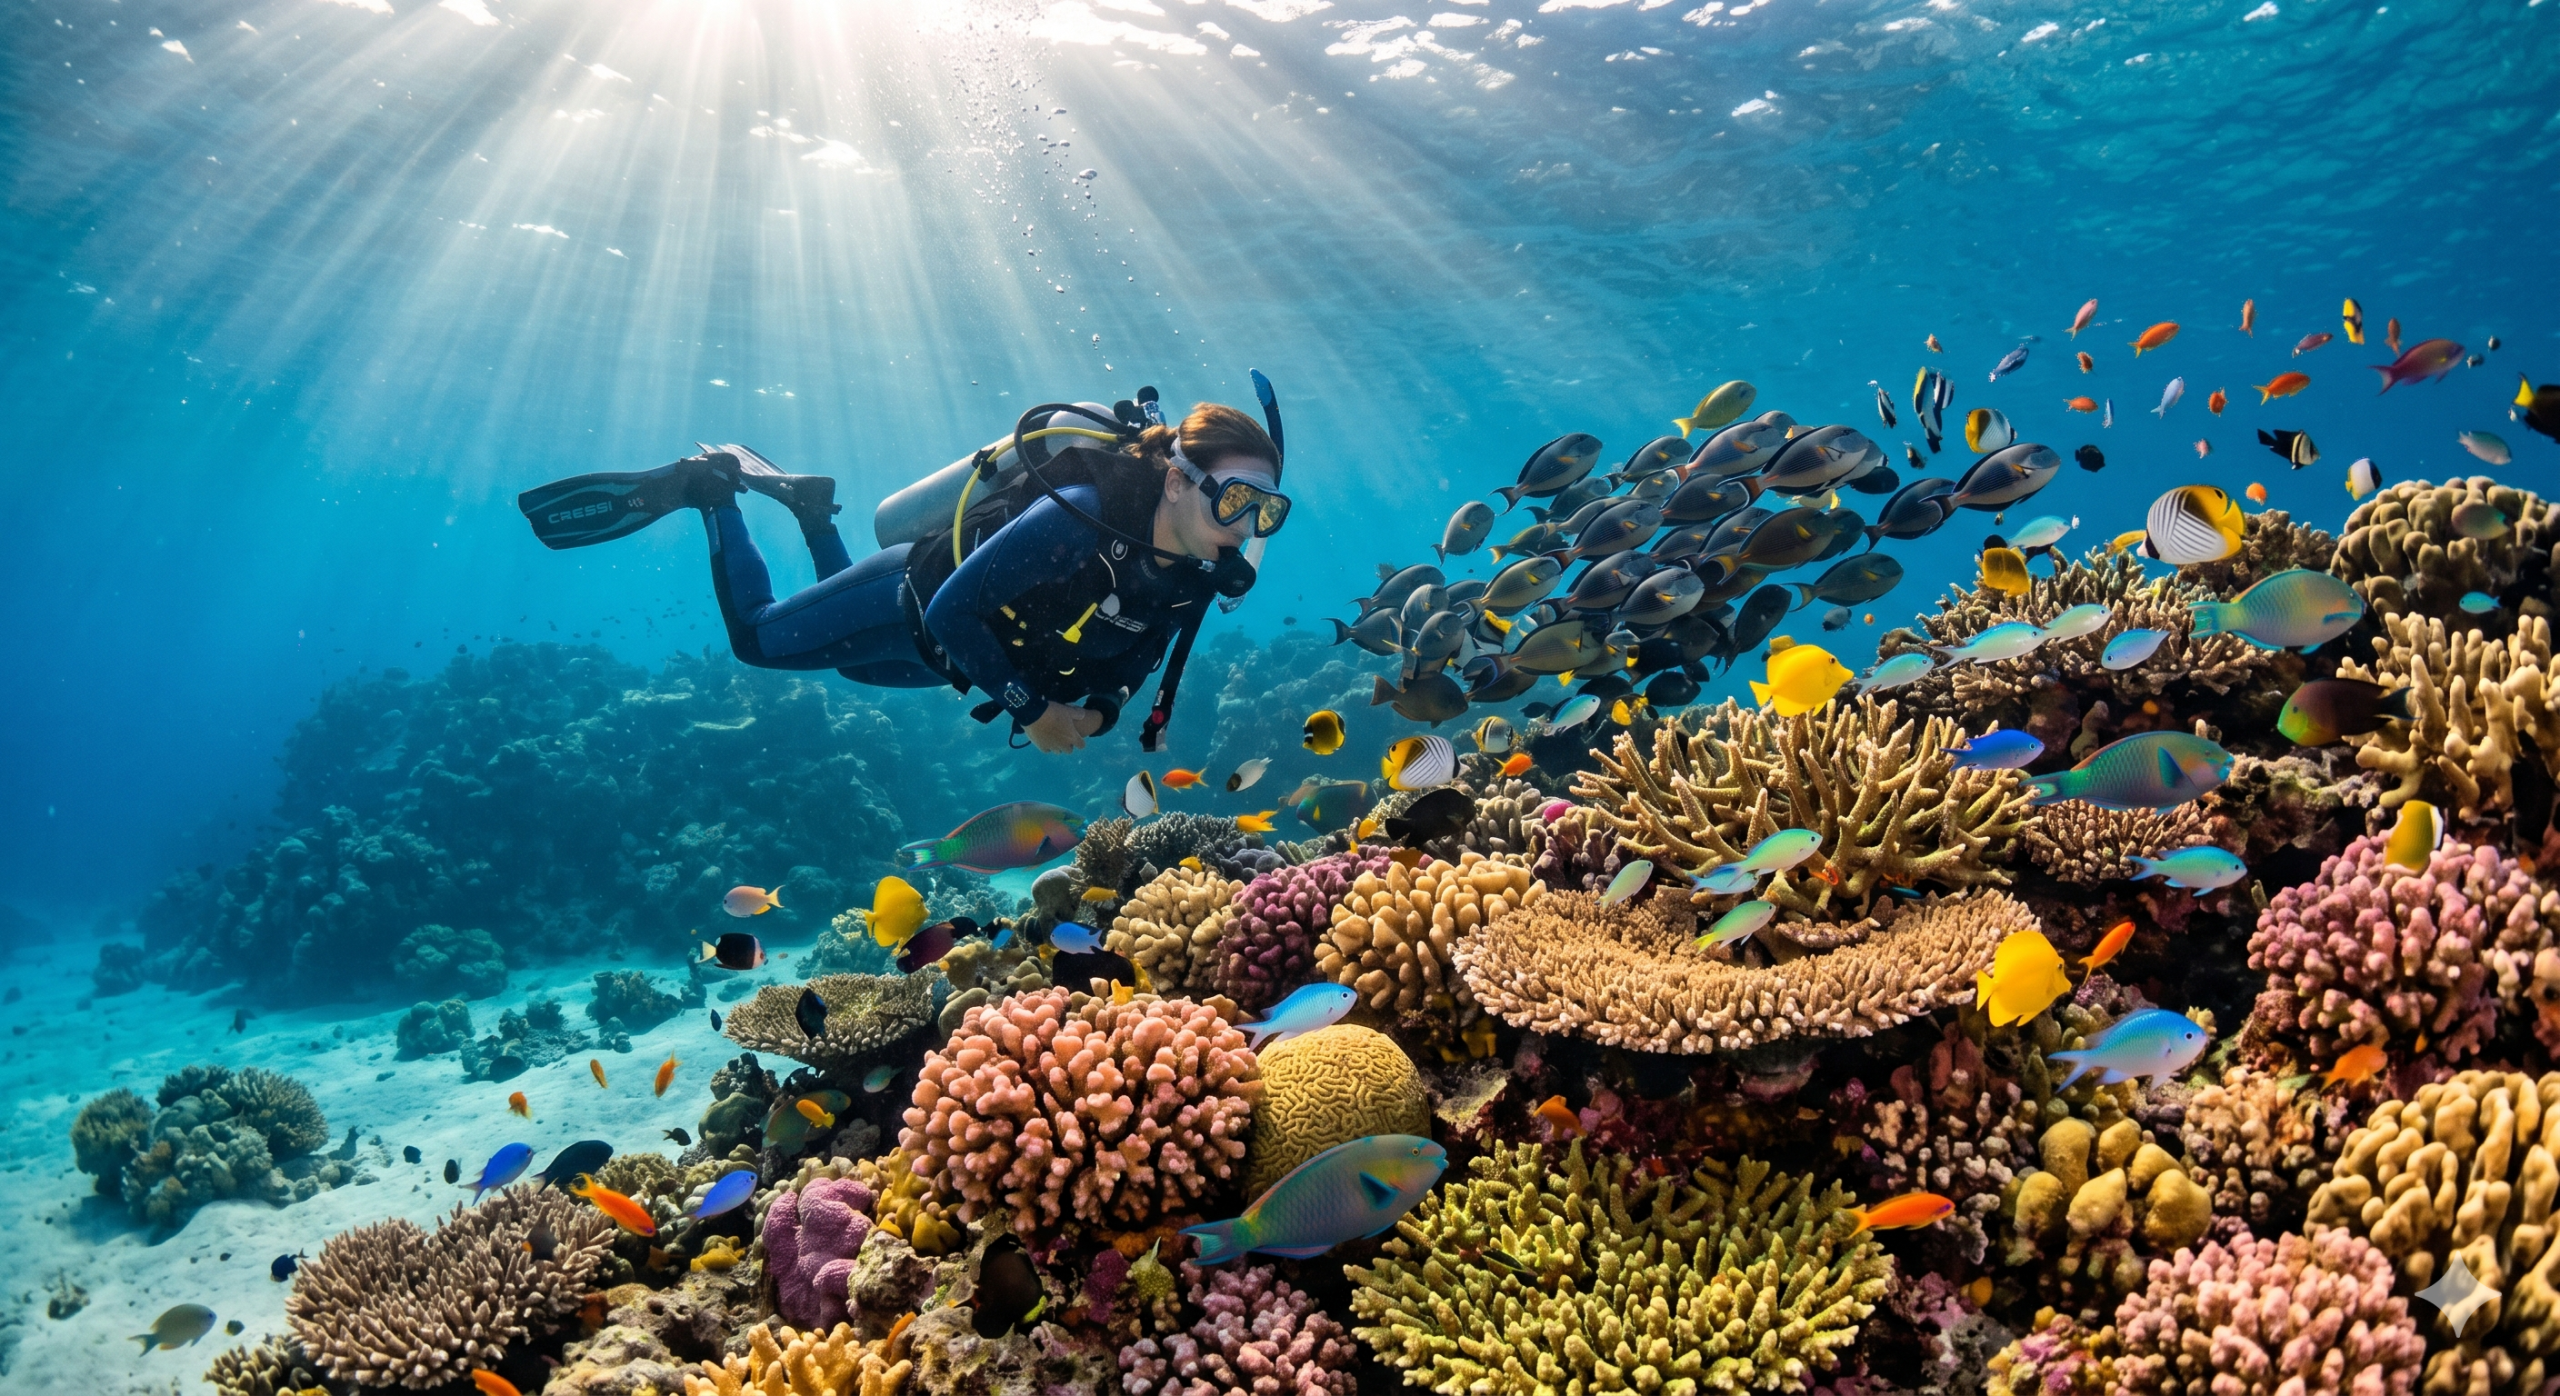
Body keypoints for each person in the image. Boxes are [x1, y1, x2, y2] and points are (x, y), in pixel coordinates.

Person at [518, 386, 1289, 754]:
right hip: (911, 600)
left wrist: (1100, 709)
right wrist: (1033, 711)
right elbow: (957, 609)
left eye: (1267, 512)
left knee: (852, 676)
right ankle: (714, 490)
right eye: (1239, 501)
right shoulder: (1083, 511)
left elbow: (1138, 664)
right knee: (758, 641)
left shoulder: (1194, 573)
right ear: (1182, 478)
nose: (1248, 527)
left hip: (953, 660)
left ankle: (815, 516)